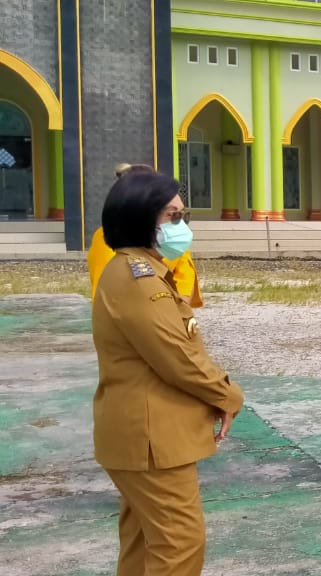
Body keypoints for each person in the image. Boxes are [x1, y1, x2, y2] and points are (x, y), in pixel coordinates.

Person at [91, 169, 244, 575]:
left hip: (141, 435)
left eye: (182, 215)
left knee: (144, 541)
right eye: (172, 217)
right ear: (142, 217)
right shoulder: (140, 280)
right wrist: (227, 394)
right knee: (179, 543)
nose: (182, 225)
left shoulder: (136, 270)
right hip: (151, 438)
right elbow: (176, 357)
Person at [89, 163, 202, 307]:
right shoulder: (107, 236)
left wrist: (178, 307)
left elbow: (185, 273)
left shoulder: (170, 231)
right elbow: (107, 289)